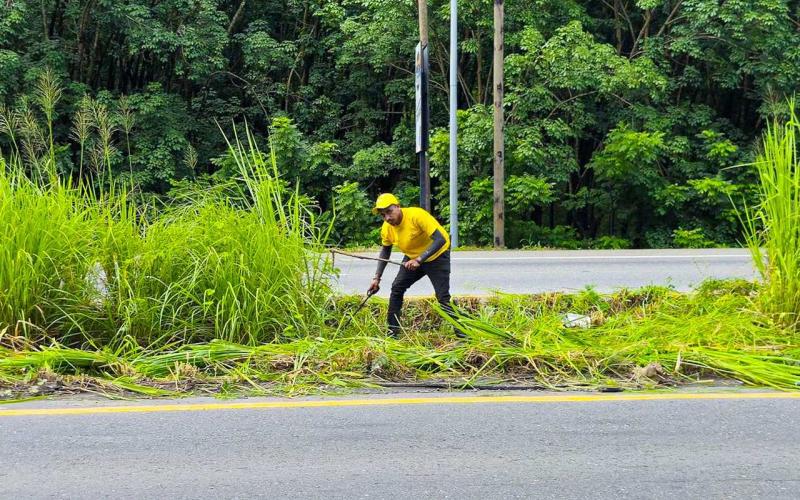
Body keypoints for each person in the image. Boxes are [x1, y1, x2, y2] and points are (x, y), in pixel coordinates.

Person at [367, 193, 456, 336]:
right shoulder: (387, 228)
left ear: (398, 206)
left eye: (389, 212)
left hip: (437, 255)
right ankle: (392, 333)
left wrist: (419, 260)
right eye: (383, 215)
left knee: (443, 298)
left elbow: (440, 240)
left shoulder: (416, 215)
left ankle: (464, 335)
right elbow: (385, 251)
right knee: (397, 288)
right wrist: (376, 278)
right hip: (413, 258)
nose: (387, 218)